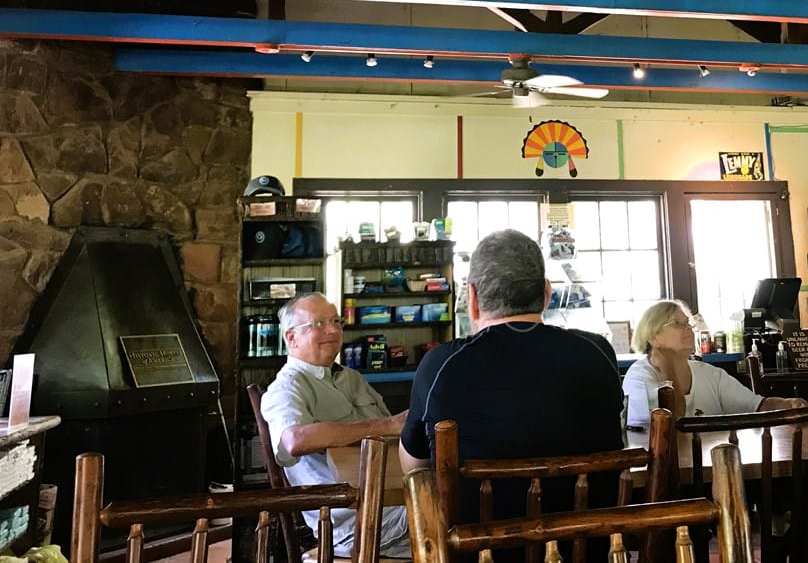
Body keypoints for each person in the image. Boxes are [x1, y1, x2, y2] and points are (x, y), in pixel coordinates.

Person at [399, 229, 624, 523]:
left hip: (477, 554)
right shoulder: (598, 352)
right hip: (589, 549)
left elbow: (414, 468)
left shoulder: (440, 364)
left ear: (473, 297)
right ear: (546, 294)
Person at [260, 292, 411, 558]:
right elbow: (295, 440)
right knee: (459, 513)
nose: (332, 330)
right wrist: (385, 425)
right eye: (318, 324)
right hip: (355, 522)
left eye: (336, 321)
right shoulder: (286, 388)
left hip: (395, 497)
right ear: (291, 337)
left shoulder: (351, 378)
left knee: (466, 499)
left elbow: (394, 439)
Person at [623, 300, 805, 427]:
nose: (688, 328)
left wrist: (787, 404)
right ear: (653, 337)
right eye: (677, 323)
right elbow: (670, 425)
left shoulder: (709, 374)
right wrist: (668, 367)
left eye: (689, 323)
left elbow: (757, 406)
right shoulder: (639, 378)